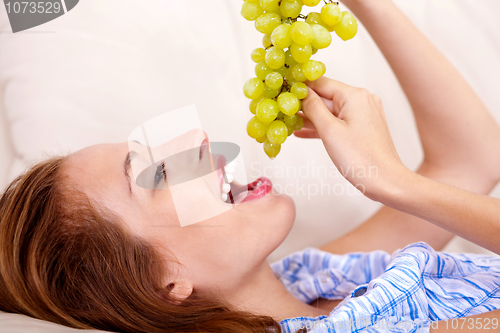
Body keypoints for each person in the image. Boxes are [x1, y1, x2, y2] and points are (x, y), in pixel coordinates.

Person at [1, 1, 500, 333]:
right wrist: (394, 183)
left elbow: (469, 160)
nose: (196, 141)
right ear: (166, 282)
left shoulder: (310, 281)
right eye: (153, 174)